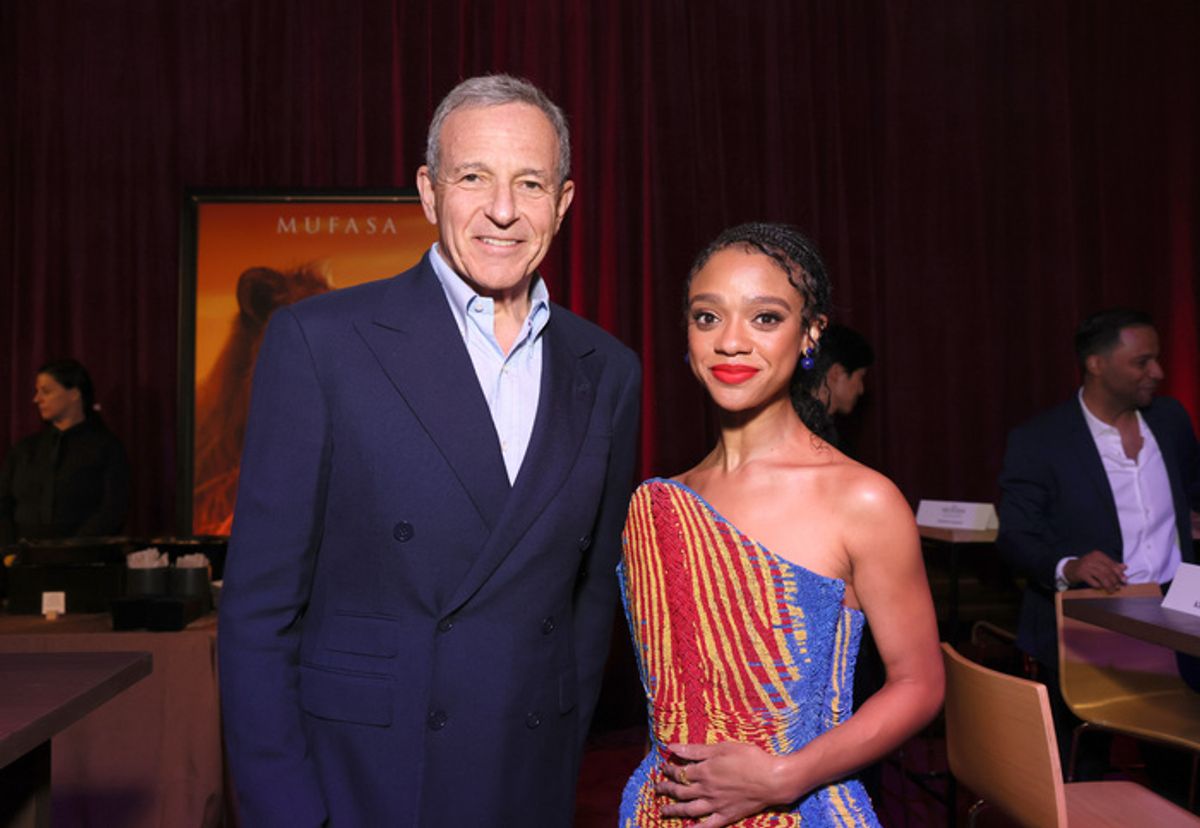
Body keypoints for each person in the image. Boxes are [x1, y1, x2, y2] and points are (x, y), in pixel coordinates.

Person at [217, 74, 641, 827]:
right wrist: (285, 812)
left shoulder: (605, 368)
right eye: (473, 176)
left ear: (564, 202)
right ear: (427, 190)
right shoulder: (323, 343)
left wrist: (555, 758)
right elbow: (258, 613)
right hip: (368, 780)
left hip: (528, 780)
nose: (503, 210)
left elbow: (587, 598)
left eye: (530, 183)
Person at [618, 223, 942, 826]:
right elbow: (665, 706)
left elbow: (919, 684)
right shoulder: (657, 505)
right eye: (707, 317)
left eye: (764, 318)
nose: (731, 342)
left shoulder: (863, 499)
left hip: (804, 808)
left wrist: (782, 776)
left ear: (810, 332)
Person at [997, 308, 1200, 772]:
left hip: (1176, 613)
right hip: (1091, 620)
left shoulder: (1170, 420)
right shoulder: (1040, 440)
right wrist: (1067, 566)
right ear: (1097, 364)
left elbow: (1192, 487)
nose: (1158, 373)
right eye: (1143, 362)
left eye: (1157, 360)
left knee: (1178, 762)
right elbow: (1016, 535)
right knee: (1086, 769)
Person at [0, 358, 130, 545]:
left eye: (46, 391)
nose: (36, 399)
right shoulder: (25, 449)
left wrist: (71, 548)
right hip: (22, 561)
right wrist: (9, 548)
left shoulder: (106, 447)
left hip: (82, 560)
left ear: (74, 394)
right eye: (37, 391)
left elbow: (112, 509)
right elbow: (3, 504)